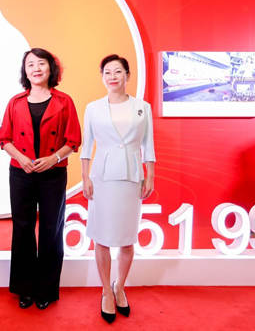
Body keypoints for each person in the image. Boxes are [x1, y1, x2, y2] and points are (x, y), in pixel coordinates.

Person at [0, 48, 81, 310]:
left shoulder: (64, 101)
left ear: (51, 68)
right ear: (25, 71)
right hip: (21, 172)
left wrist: (53, 158)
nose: (36, 68)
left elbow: (73, 140)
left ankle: (46, 289)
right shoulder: (15, 102)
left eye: (41, 63)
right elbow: (4, 139)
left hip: (52, 173)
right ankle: (24, 288)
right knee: (22, 228)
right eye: (30, 64)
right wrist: (22, 159)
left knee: (51, 230)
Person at [80, 54, 156, 324]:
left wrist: (150, 175)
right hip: (101, 177)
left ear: (128, 75)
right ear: (102, 77)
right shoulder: (93, 108)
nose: (112, 77)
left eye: (118, 71)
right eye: (107, 72)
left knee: (126, 238)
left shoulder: (142, 107)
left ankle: (119, 286)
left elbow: (148, 144)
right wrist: (85, 176)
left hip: (132, 176)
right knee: (101, 237)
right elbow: (86, 146)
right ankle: (105, 291)